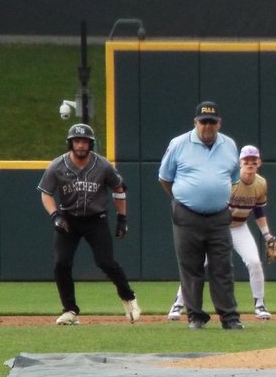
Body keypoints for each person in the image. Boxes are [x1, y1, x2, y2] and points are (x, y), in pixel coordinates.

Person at [37, 123, 140, 325]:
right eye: (77, 140)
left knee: (106, 262)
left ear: (90, 144)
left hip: (96, 219)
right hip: (69, 219)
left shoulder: (102, 165)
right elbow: (45, 193)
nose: (81, 145)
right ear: (70, 143)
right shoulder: (58, 165)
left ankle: (128, 297)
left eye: (84, 141)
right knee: (61, 264)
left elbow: (119, 188)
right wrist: (55, 215)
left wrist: (122, 218)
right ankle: (70, 310)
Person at [158, 100, 244, 330]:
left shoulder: (229, 145)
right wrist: (183, 198)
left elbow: (233, 178)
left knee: (223, 268)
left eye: (212, 122)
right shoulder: (179, 144)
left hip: (218, 215)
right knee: (191, 267)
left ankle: (230, 318)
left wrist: (216, 196)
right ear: (195, 122)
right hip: (187, 214)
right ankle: (195, 317)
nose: (208, 126)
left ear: (219, 123)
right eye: (203, 122)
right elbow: (165, 178)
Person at [168, 144, 276, 321]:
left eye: (253, 160)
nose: (250, 163)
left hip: (240, 228)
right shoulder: (231, 182)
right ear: (239, 163)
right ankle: (178, 304)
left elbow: (259, 211)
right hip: (219, 228)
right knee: (197, 265)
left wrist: (267, 235)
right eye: (246, 160)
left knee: (255, 262)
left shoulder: (261, 183)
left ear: (259, 163)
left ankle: (260, 305)